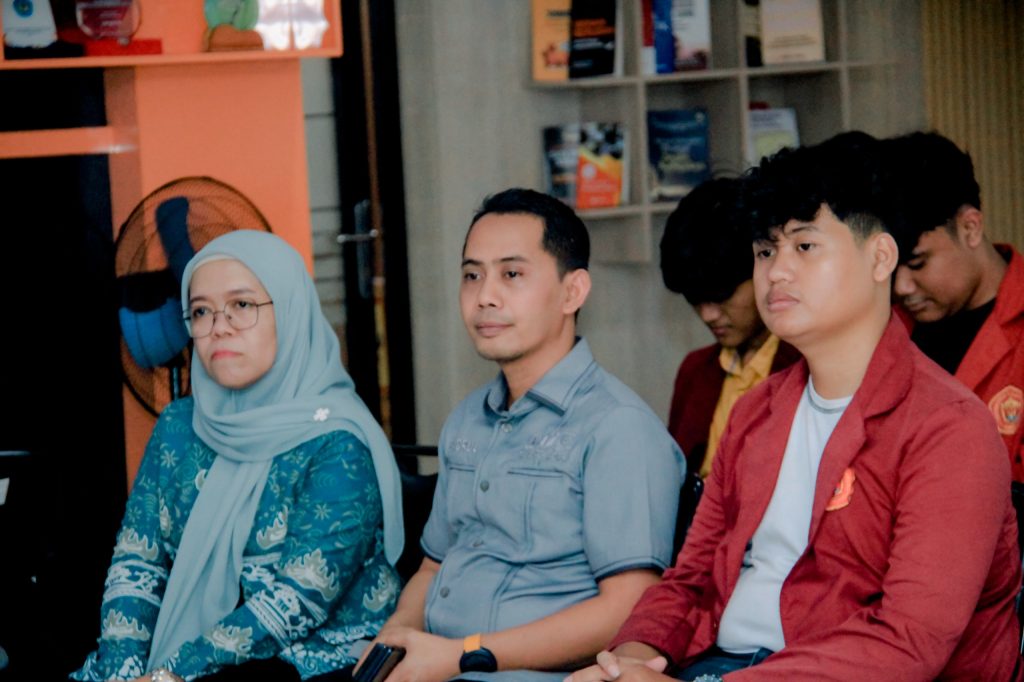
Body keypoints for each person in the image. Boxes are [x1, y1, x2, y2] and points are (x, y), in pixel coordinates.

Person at [567, 133, 1023, 681]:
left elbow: (908, 642)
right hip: (717, 664)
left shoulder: (948, 426)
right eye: (765, 251)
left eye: (804, 247)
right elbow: (689, 581)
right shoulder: (756, 411)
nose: (777, 272)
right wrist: (627, 662)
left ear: (880, 258)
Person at [359, 188, 685, 681]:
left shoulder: (617, 427)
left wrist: (463, 653)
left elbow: (629, 607)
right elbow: (434, 566)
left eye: (511, 274)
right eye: (472, 275)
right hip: (438, 664)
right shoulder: (467, 419)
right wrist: (398, 636)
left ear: (573, 292)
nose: (485, 296)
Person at [72, 231, 404, 682]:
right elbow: (137, 561)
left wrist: (171, 674)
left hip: (311, 661)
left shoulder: (338, 443)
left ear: (289, 312)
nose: (219, 327)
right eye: (201, 311)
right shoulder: (178, 427)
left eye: (242, 305)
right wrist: (122, 673)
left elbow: (299, 599)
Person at [880, 131, 1024, 481]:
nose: (901, 287)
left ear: (970, 227)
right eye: (889, 267)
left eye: (917, 263)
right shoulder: (884, 332)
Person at [660, 177, 800, 478]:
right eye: (694, 299)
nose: (708, 315)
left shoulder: (808, 367)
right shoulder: (696, 371)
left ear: (765, 268)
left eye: (722, 295)